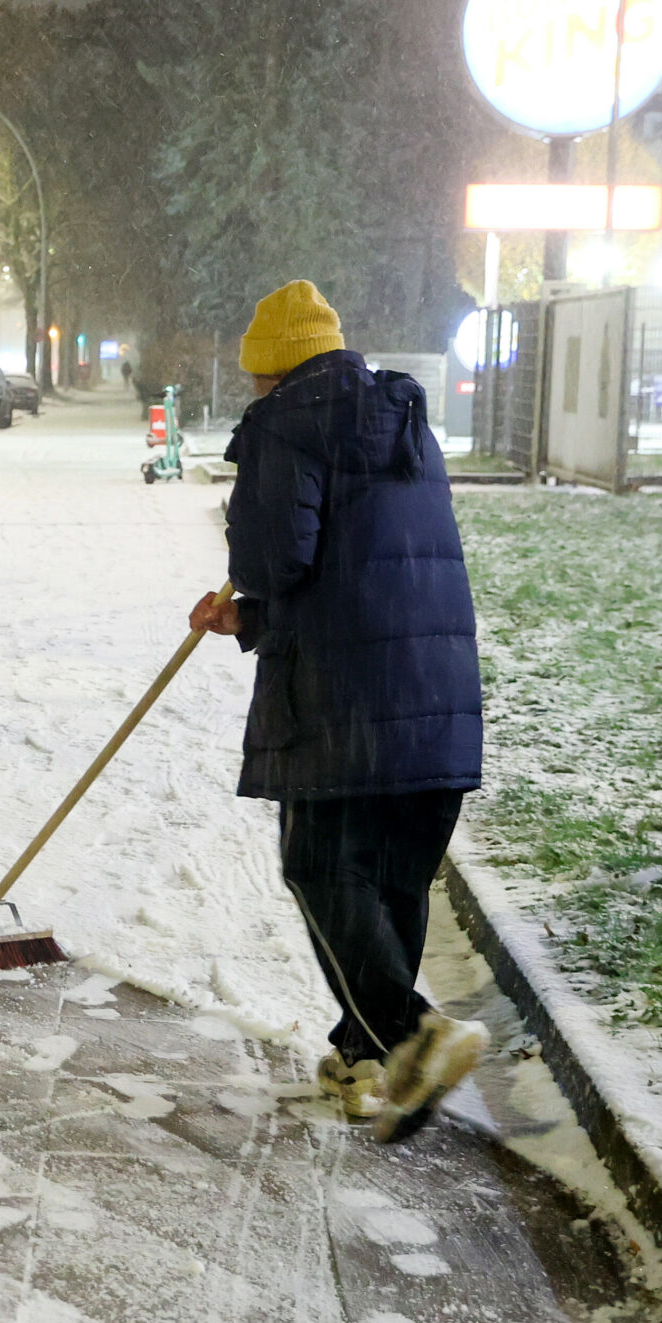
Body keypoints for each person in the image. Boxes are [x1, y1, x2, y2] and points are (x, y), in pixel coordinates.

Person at [188, 280, 489, 1142]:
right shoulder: (399, 417)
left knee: (320, 865)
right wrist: (245, 621)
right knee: (386, 880)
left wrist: (245, 577)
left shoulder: (288, 422)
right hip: (433, 701)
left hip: (343, 705)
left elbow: (278, 559)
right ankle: (370, 1061)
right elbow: (348, 569)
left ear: (272, 371)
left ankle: (411, 1033)